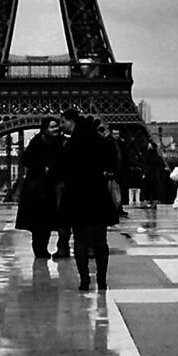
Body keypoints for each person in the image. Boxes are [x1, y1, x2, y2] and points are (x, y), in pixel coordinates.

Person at [59, 109, 118, 291]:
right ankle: (101, 279)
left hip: (76, 194)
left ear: (71, 121)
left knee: (80, 241)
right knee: (101, 240)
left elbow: (61, 169)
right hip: (97, 193)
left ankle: (84, 280)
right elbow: (113, 165)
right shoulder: (101, 142)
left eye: (63, 122)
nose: (62, 125)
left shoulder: (70, 145)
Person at [15, 117, 65, 258]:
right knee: (40, 220)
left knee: (48, 220)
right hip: (39, 187)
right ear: (45, 129)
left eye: (56, 126)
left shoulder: (60, 141)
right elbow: (26, 160)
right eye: (52, 127)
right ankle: (40, 248)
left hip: (53, 185)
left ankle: (46, 247)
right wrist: (42, 168)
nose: (55, 129)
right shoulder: (37, 141)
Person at [141, 140, 165, 210]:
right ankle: (154, 203)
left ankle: (148, 202)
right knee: (154, 189)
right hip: (155, 175)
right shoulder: (157, 157)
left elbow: (146, 166)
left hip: (149, 175)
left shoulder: (147, 156)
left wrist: (144, 173)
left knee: (148, 189)